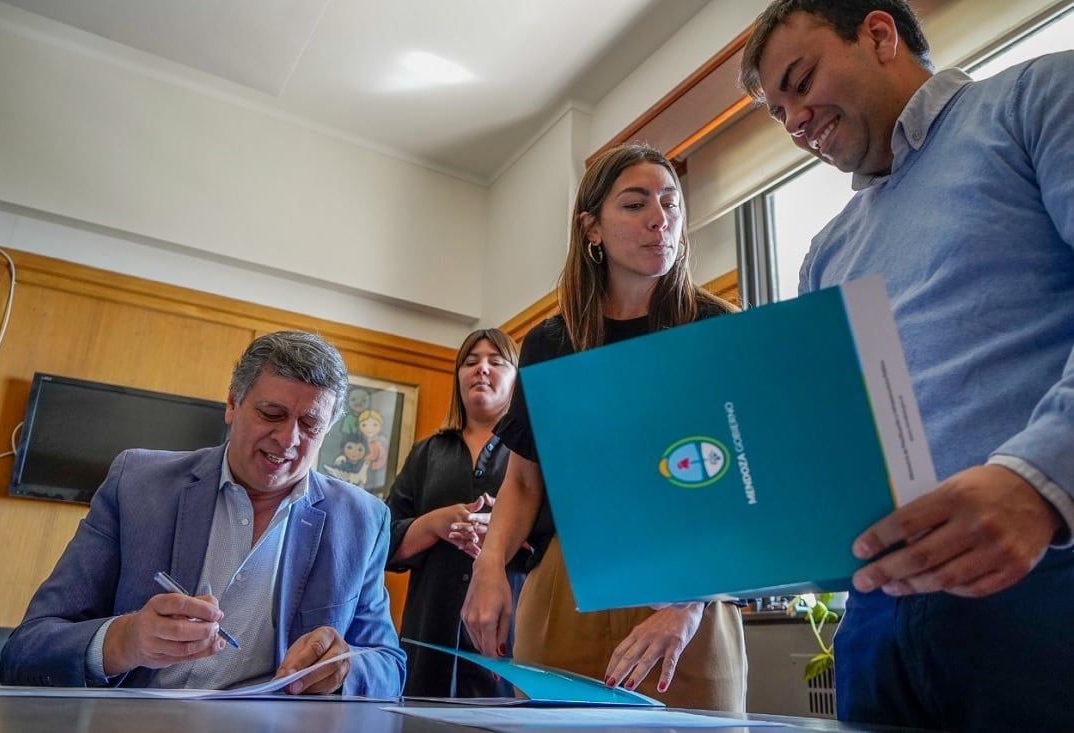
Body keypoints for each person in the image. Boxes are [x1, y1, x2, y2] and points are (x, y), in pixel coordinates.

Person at [739, 2, 1074, 730]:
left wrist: (1040, 479)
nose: (794, 121)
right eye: (779, 112)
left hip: (1039, 576)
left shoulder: (1036, 100)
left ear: (880, 33)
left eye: (799, 81)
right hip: (874, 617)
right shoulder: (824, 254)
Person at [462, 143, 747, 710]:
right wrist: (489, 567)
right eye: (635, 204)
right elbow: (522, 482)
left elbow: (745, 485)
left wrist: (689, 603)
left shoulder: (717, 328)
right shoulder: (550, 342)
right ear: (591, 228)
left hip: (690, 587)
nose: (659, 219)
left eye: (670, 203)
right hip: (567, 584)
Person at [0, 331, 405, 696]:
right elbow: (25, 651)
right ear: (232, 403)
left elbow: (389, 665)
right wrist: (124, 641)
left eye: (310, 424)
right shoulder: (137, 484)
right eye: (271, 414)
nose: (287, 439)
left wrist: (344, 667)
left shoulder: (362, 519)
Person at [386, 328, 527, 697]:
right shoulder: (425, 453)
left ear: (517, 380)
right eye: (470, 362)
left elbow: (559, 542)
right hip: (429, 635)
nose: (482, 369)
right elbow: (382, 545)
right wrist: (433, 524)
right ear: (458, 378)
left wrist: (507, 530)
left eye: (496, 362)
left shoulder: (534, 456)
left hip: (511, 638)